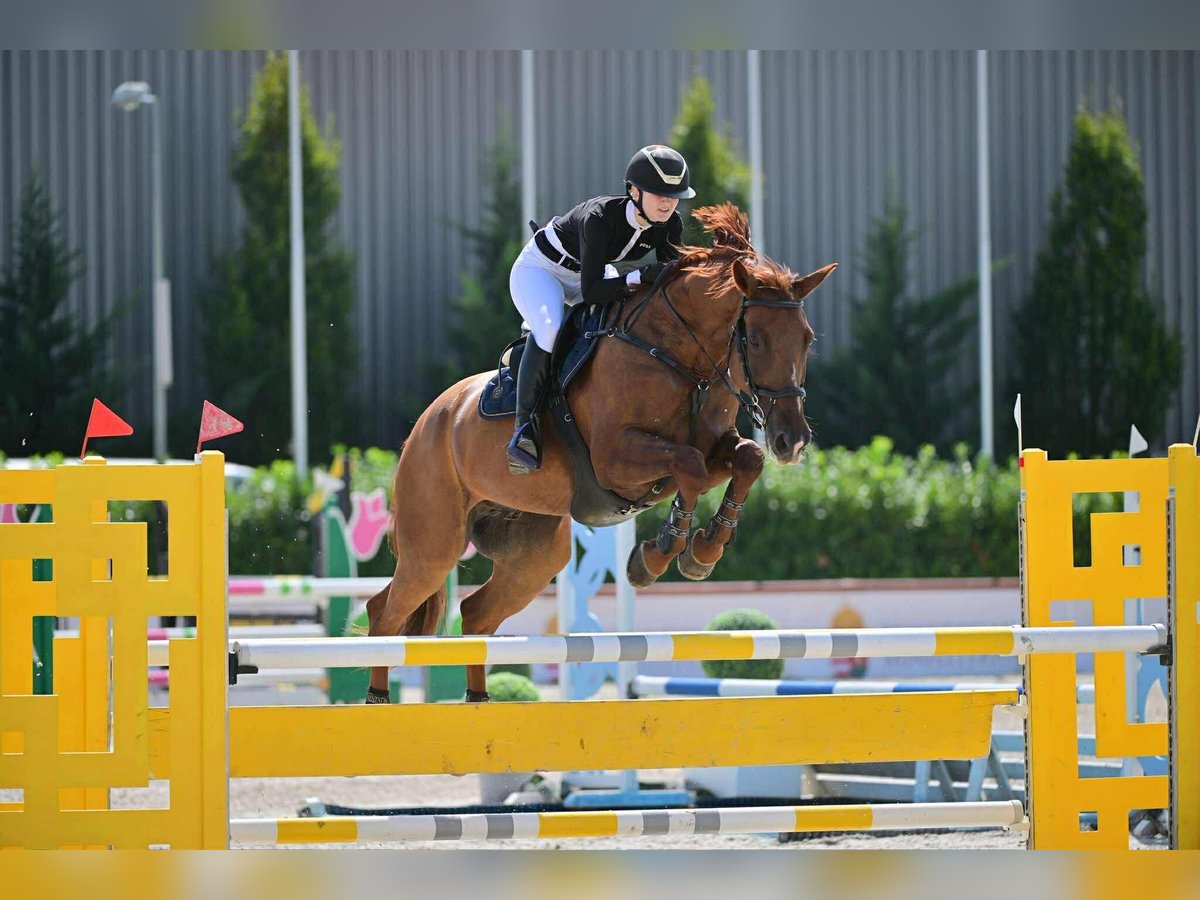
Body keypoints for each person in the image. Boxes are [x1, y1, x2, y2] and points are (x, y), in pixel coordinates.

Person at [505, 144, 695, 474]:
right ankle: (525, 429)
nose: (667, 202)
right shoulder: (599, 218)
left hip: (587, 275)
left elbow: (672, 283)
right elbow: (593, 291)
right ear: (634, 192)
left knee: (617, 327)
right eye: (658, 193)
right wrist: (638, 276)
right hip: (542, 270)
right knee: (550, 329)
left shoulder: (669, 223)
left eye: (674, 195)